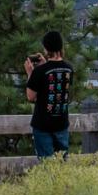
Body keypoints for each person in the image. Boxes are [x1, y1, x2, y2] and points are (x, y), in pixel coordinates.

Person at [24, 30, 73, 159]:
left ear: (46, 48)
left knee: (47, 166)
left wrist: (30, 74)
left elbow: (30, 96)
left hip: (43, 125)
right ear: (61, 46)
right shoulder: (69, 68)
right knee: (61, 165)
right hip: (62, 123)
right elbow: (56, 79)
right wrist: (46, 64)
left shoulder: (39, 71)